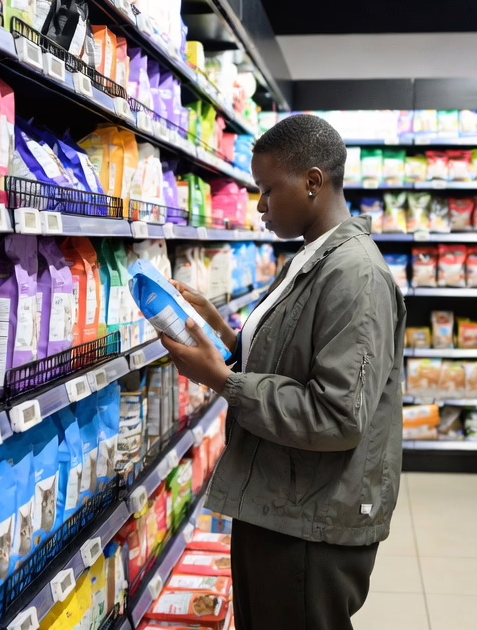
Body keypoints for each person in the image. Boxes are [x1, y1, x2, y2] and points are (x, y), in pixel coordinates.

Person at [159, 113, 407, 630]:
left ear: (313, 182)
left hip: (312, 525)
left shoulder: (355, 274)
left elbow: (337, 415)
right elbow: (295, 362)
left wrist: (223, 381)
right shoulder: (311, 256)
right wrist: (226, 339)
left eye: (269, 189)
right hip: (285, 503)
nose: (261, 205)